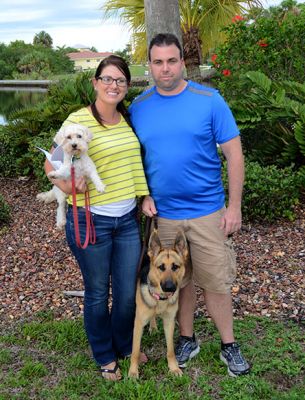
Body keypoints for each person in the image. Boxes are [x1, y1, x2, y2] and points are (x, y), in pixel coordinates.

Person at [129, 34, 251, 377]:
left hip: (208, 212)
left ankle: (229, 345)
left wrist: (234, 206)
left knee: (216, 282)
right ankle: (186, 339)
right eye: (157, 62)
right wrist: (144, 195)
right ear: (149, 65)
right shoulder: (139, 107)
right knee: (176, 283)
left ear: (183, 62)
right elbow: (133, 159)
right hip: (165, 216)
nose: (164, 68)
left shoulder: (209, 100)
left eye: (171, 61)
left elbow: (234, 154)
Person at [44, 55, 149, 381]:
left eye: (120, 80)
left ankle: (122, 345)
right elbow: (51, 161)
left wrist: (145, 195)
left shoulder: (128, 120)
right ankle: (105, 355)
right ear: (95, 82)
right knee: (97, 292)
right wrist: (64, 184)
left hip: (127, 220)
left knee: (126, 293)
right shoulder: (78, 120)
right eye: (107, 79)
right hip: (90, 220)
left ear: (126, 87)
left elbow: (134, 164)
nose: (113, 85)